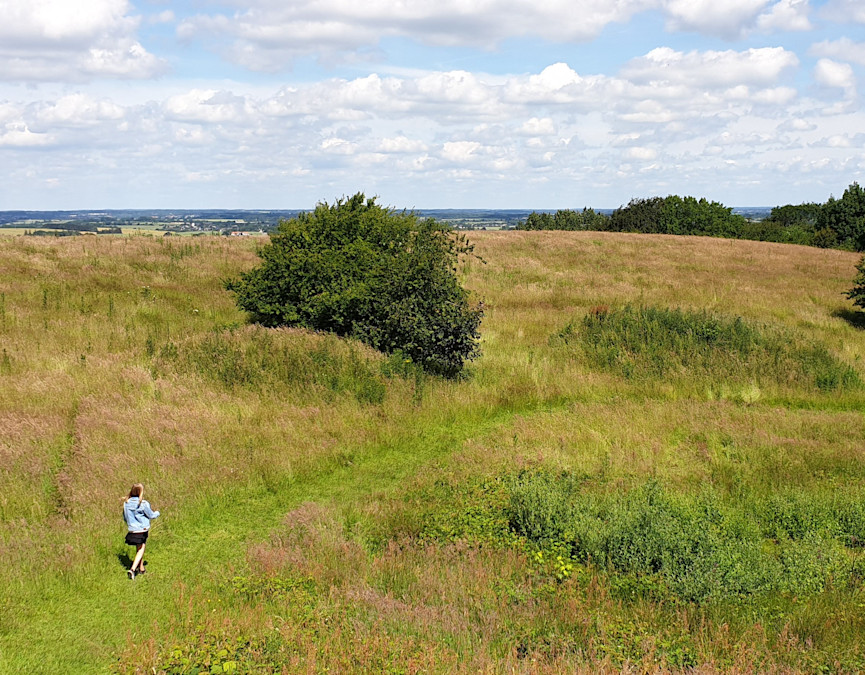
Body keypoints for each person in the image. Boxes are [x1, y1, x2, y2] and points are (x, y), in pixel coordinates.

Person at [123, 483, 160, 580]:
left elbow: (125, 517)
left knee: (138, 547)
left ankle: (141, 568)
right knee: (141, 549)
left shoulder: (126, 503)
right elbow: (151, 515)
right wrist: (157, 513)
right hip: (142, 530)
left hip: (132, 530)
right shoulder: (143, 504)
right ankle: (132, 569)